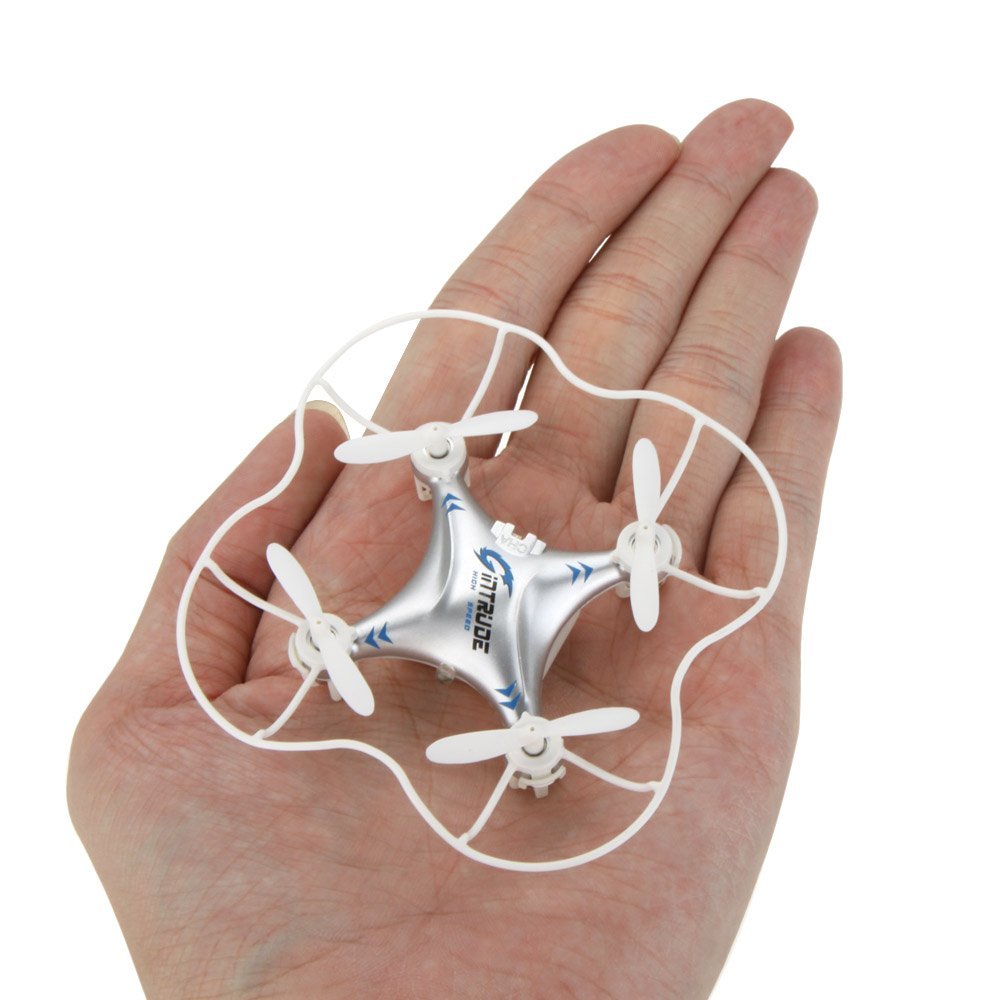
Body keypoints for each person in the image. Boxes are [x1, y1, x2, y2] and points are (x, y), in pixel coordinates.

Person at [68, 98, 842, 998]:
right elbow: (456, 543)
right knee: (438, 587)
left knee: (455, 574)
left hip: (495, 640)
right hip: (478, 650)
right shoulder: (482, 621)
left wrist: (588, 555)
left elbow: (470, 534)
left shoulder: (494, 589)